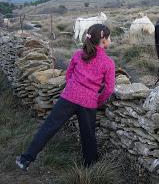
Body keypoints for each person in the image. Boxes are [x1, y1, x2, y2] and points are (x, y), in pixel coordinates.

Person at [16, 23, 115, 170]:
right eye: (110, 37)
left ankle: (26, 159)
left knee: (48, 127)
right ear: (104, 40)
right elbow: (109, 89)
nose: (110, 39)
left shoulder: (78, 54)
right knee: (88, 136)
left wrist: (72, 89)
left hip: (68, 97)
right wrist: (97, 101)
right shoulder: (108, 63)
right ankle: (90, 167)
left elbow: (69, 75)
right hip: (88, 103)